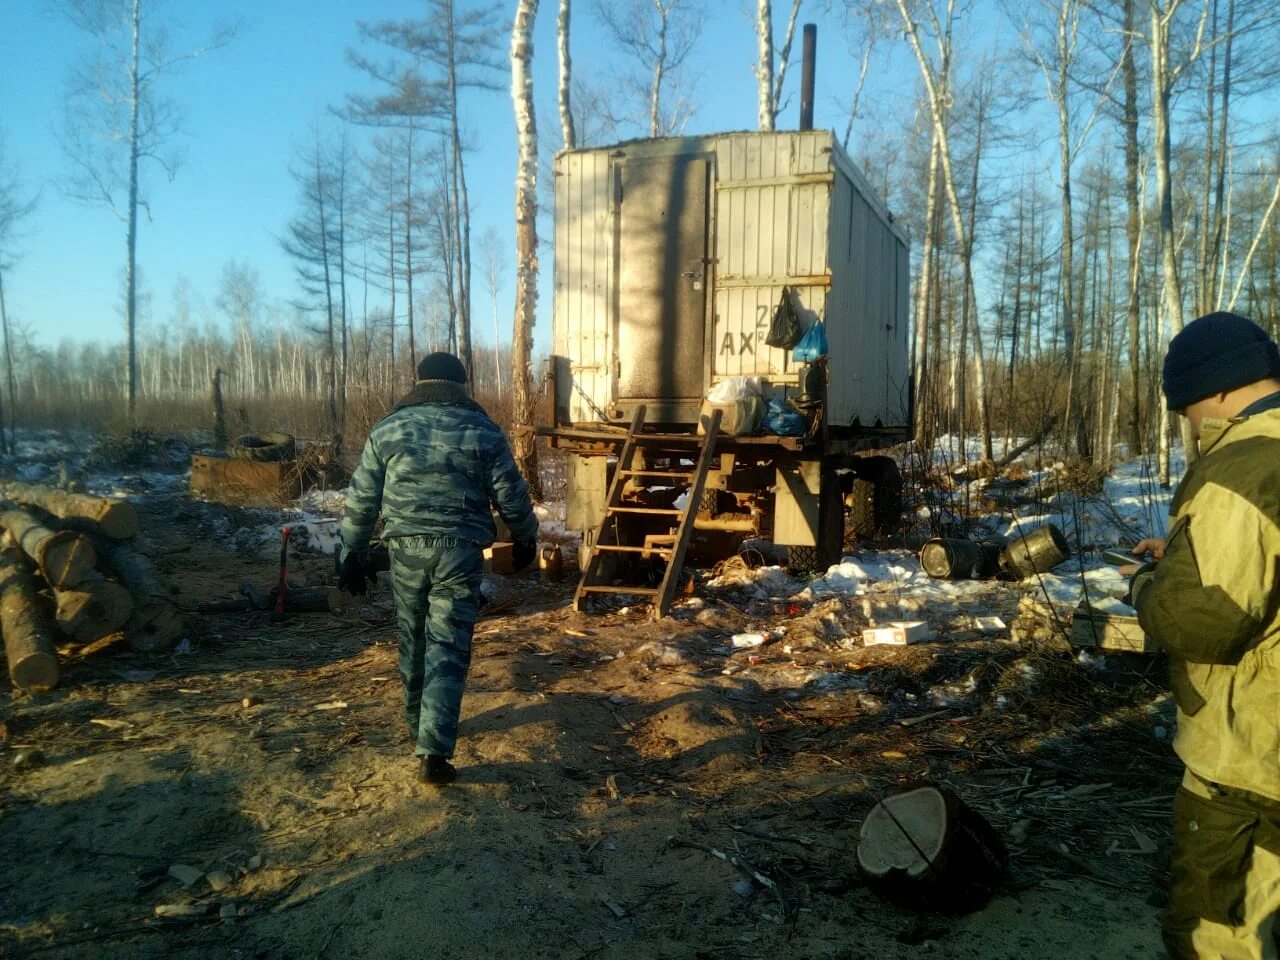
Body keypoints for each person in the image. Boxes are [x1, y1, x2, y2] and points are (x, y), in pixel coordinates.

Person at [1124, 311, 1280, 959]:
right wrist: (1189, 555)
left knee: (1218, 938)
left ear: (1217, 389)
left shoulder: (1239, 469)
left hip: (1246, 761)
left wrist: (1147, 588)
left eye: (1185, 404)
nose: (1187, 422)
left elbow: (1199, 623)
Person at [339, 352, 539, 786]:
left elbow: (362, 496)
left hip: (404, 549)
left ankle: (418, 727)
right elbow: (511, 493)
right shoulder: (483, 431)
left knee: (412, 637)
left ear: (419, 382)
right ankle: (433, 749)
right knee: (448, 644)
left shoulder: (387, 429)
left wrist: (351, 552)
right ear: (461, 386)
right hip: (459, 550)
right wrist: (525, 537)